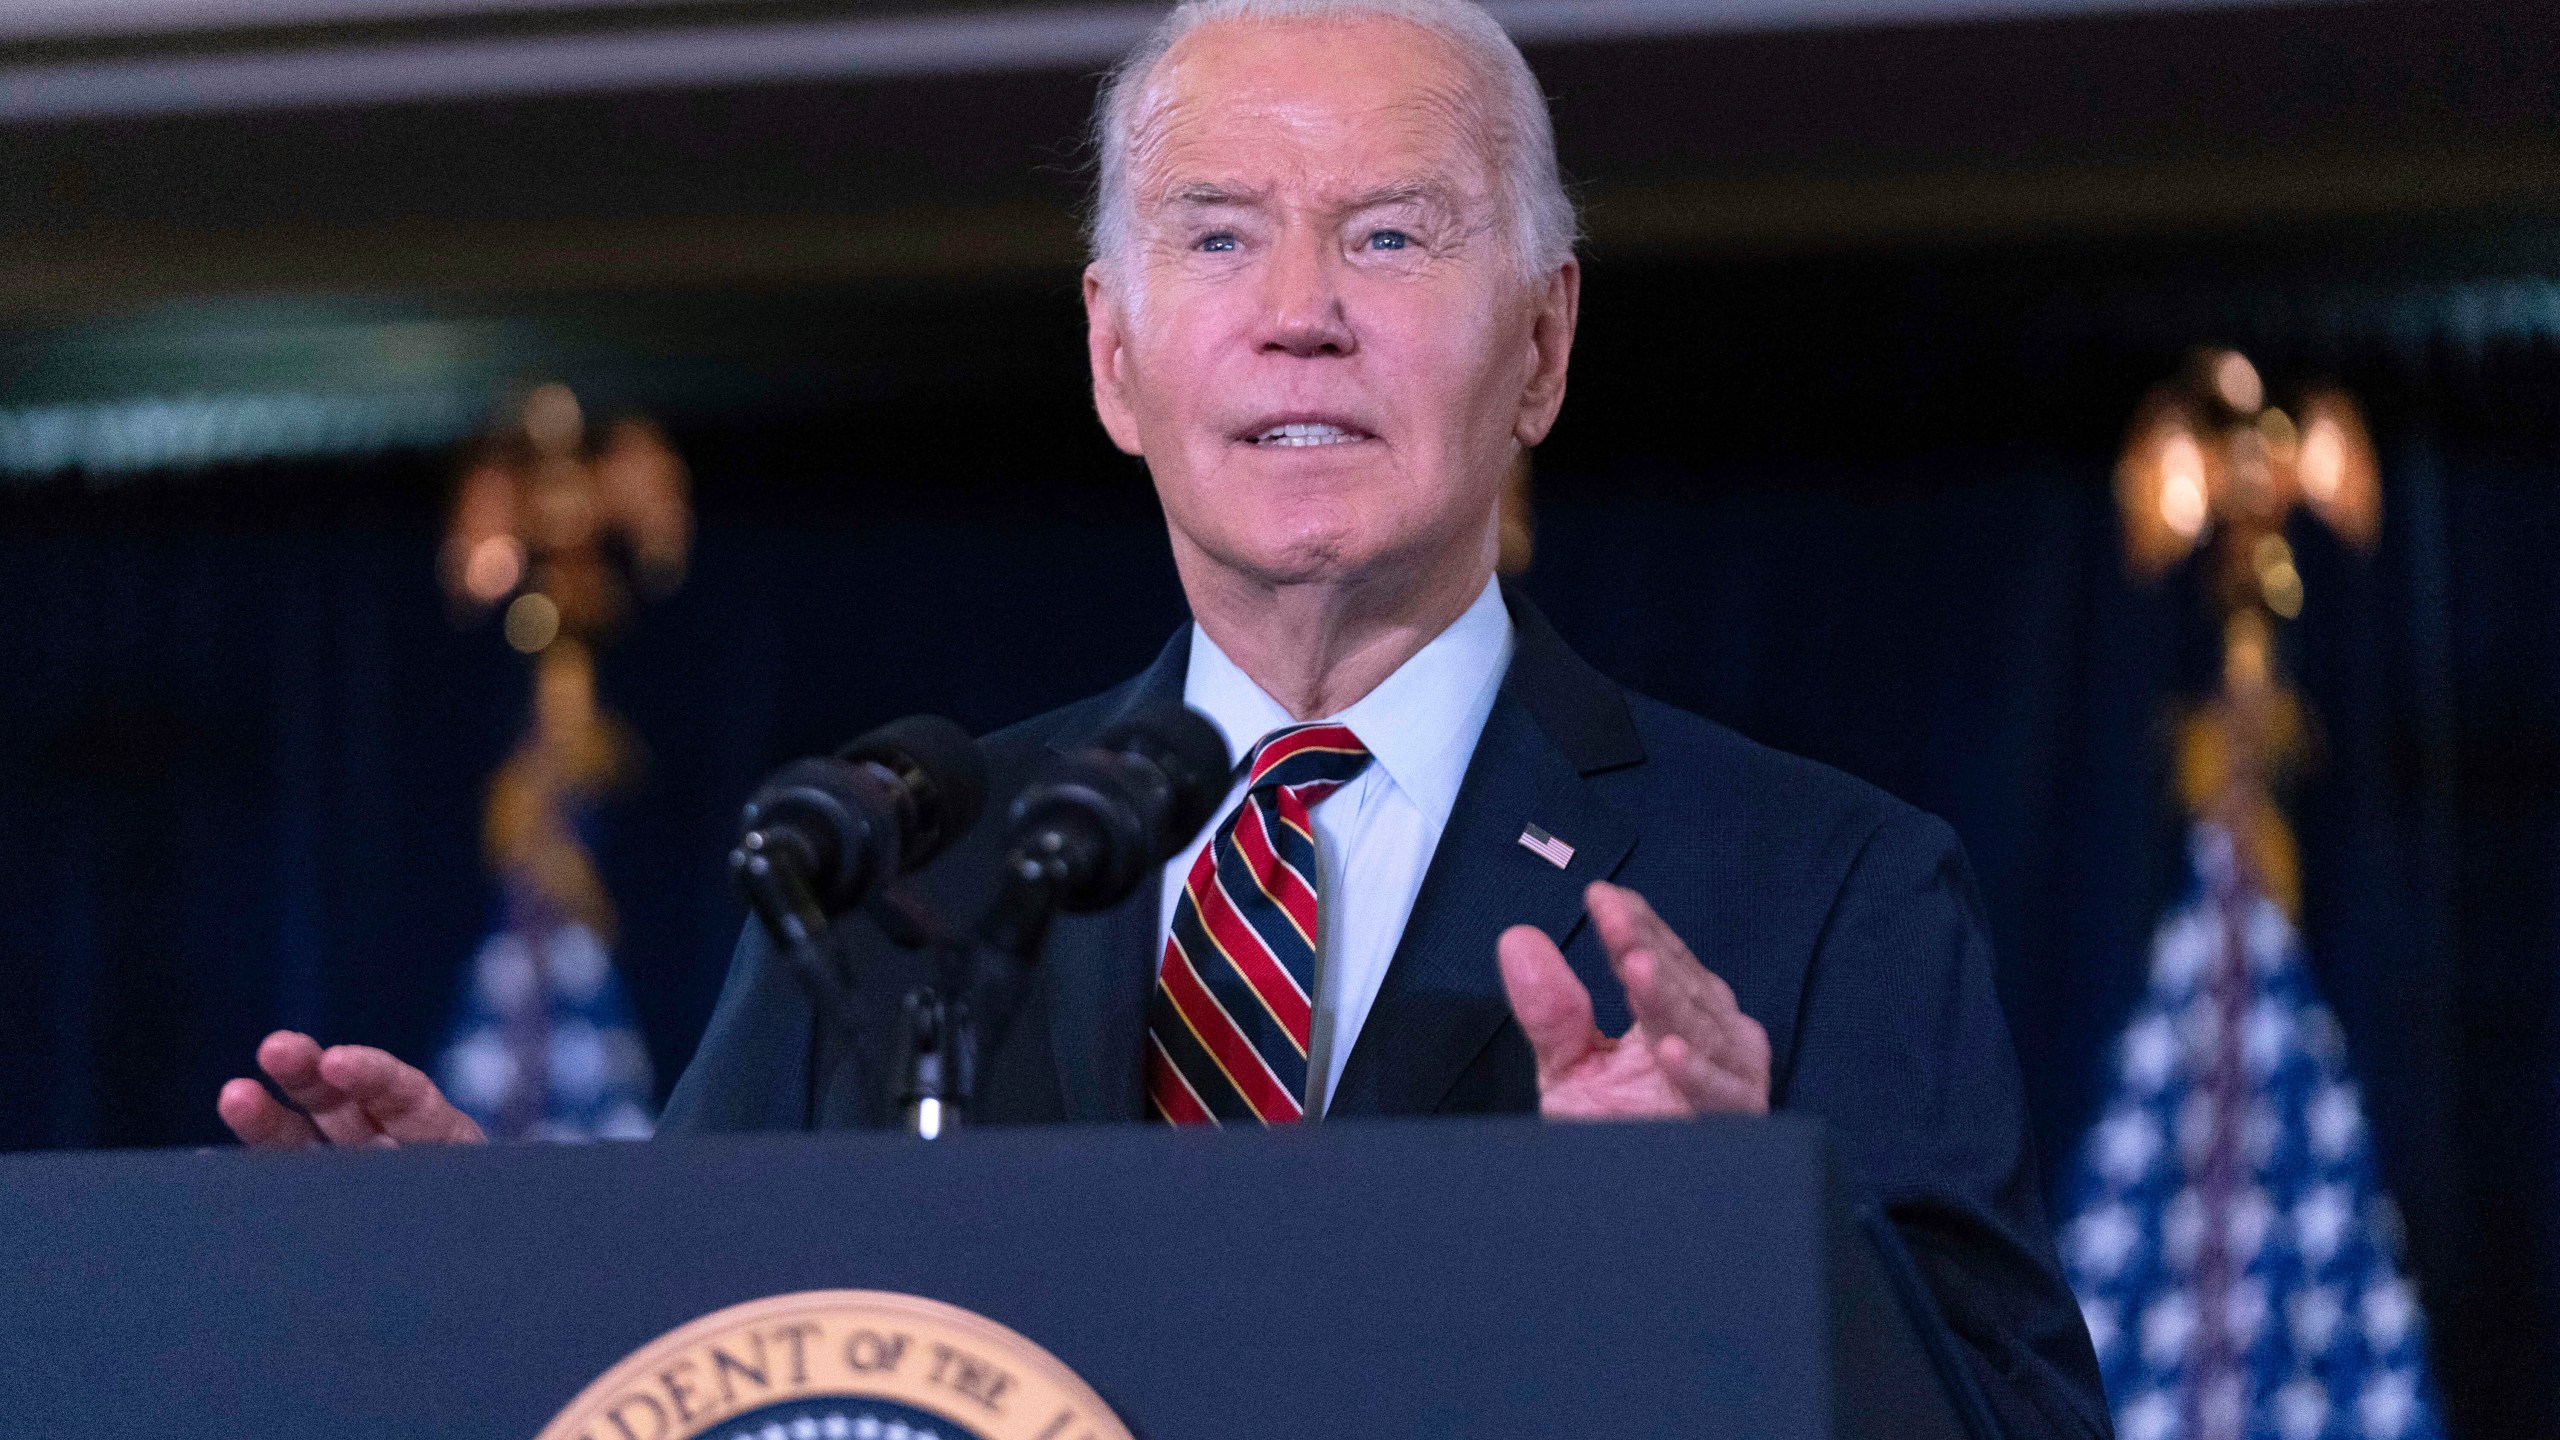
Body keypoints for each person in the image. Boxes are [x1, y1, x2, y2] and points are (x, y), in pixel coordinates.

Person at [219, 1, 2106, 1432]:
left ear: (1540, 346)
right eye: (1219, 238)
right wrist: (489, 1281)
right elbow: (739, 1368)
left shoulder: (1827, 884)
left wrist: (1753, 1230)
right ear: (1117, 357)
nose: (1300, 314)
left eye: (1391, 237)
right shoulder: (898, 874)